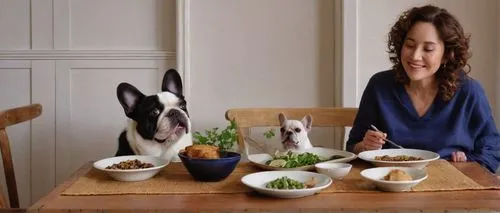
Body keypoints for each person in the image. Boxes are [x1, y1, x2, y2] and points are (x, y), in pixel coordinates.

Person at [346, 5, 500, 173]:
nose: (415, 56)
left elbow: (492, 152)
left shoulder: (469, 92)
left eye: (428, 49)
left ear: (447, 54)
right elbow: (353, 147)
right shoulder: (379, 85)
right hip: (390, 185)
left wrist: (467, 162)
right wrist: (365, 146)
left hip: (450, 189)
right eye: (410, 45)